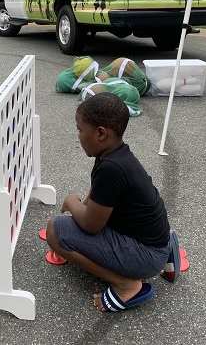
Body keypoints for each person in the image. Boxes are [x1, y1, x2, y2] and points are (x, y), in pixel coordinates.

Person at [46, 92, 182, 313]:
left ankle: (127, 285)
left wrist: (71, 202)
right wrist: (82, 207)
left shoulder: (111, 168)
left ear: (100, 133)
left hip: (147, 253)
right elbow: (97, 194)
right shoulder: (116, 155)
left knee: (56, 230)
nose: (78, 135)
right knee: (74, 221)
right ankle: (166, 249)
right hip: (156, 238)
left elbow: (91, 225)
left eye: (80, 129)